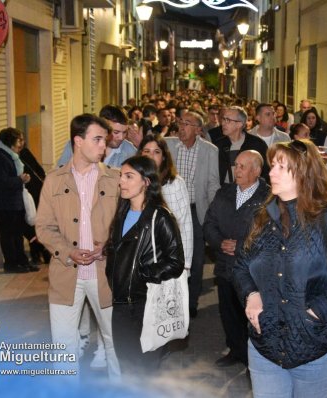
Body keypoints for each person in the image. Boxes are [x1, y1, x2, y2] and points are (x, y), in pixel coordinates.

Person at [233, 140, 327, 397]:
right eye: (272, 165)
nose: (271, 172)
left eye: (281, 167)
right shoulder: (260, 218)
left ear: (305, 172)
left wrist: (317, 312)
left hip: (317, 349)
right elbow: (240, 265)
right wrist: (250, 294)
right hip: (266, 348)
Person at [36, 113, 121, 380]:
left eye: (104, 141)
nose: (103, 147)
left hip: (105, 274)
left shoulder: (116, 179)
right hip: (65, 273)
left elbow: (127, 226)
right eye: (97, 139)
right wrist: (68, 251)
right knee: (63, 347)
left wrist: (107, 246)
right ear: (78, 141)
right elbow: (44, 227)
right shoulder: (54, 181)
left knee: (115, 341)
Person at [104, 156, 184, 377]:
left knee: (144, 370)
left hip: (146, 305)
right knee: (127, 366)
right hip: (120, 303)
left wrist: (142, 274)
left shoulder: (160, 217)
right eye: (121, 176)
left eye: (129, 176)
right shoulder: (121, 214)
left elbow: (176, 262)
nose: (122, 181)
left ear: (146, 182)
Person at [203, 150, 270, 368]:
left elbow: (270, 233)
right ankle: (236, 350)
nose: (236, 170)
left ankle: (257, 356)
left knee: (252, 314)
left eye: (242, 166)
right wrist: (219, 242)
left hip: (253, 270)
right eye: (236, 165)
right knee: (228, 312)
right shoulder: (225, 192)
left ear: (257, 170)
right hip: (224, 265)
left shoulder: (268, 197)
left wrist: (240, 246)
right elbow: (209, 223)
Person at [165, 111, 220, 318]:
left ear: (198, 129)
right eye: (180, 122)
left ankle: (191, 302)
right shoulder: (168, 145)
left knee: (195, 260)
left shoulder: (210, 151)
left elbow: (213, 183)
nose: (182, 127)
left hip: (197, 211)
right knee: (170, 256)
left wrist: (213, 214)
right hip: (170, 211)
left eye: (187, 124)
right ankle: (171, 302)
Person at [0, 128, 38, 273]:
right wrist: (19, 179)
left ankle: (22, 261)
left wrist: (22, 179)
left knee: (18, 233)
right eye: (19, 140)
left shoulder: (10, 155)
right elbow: (0, 181)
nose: (22, 143)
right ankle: (11, 264)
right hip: (4, 202)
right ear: (9, 140)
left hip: (15, 199)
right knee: (8, 234)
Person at [140, 134, 193, 275]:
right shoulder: (132, 181)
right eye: (146, 151)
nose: (151, 156)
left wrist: (186, 264)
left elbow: (185, 224)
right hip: (141, 256)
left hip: (168, 257)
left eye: (156, 152)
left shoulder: (174, 183)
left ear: (163, 157)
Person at [216, 106, 270, 184]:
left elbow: (266, 173)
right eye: (223, 119)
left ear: (240, 124)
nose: (223, 123)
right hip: (225, 193)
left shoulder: (257, 144)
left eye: (228, 120)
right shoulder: (218, 145)